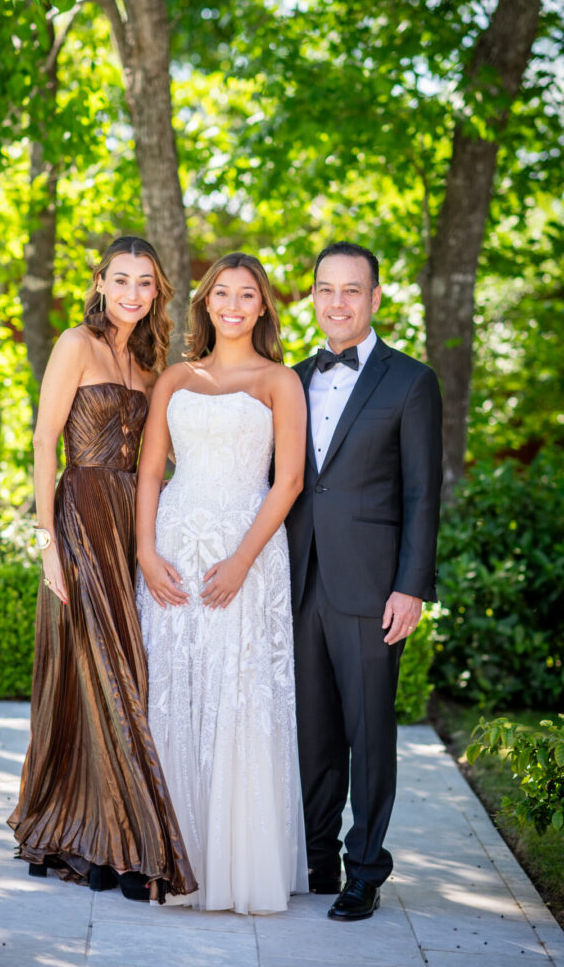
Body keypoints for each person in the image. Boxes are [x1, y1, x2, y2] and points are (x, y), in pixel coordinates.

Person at [8, 235, 196, 904]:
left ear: (156, 292)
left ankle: (72, 825)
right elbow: (42, 438)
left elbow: (156, 459)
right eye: (121, 281)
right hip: (82, 514)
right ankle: (120, 842)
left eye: (145, 283)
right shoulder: (73, 344)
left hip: (129, 520)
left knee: (110, 673)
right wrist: (46, 542)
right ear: (100, 282)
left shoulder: (148, 362)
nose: (132, 294)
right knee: (105, 670)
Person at [136, 252, 309, 914]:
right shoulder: (176, 376)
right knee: (174, 691)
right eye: (221, 294)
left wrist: (240, 560)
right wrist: (146, 552)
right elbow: (152, 471)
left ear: (262, 306)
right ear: (205, 303)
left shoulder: (278, 381)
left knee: (236, 695)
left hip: (247, 551)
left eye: (247, 295)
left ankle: (236, 866)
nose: (233, 305)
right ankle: (167, 860)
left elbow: (287, 480)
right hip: (174, 546)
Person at [285, 241, 443, 921]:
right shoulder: (288, 378)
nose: (338, 302)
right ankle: (316, 860)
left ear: (375, 298)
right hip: (296, 582)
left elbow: (421, 496)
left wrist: (410, 587)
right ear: (312, 297)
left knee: (368, 735)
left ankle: (364, 871)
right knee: (310, 733)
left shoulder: (409, 382)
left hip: (374, 589)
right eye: (326, 289)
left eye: (353, 290)